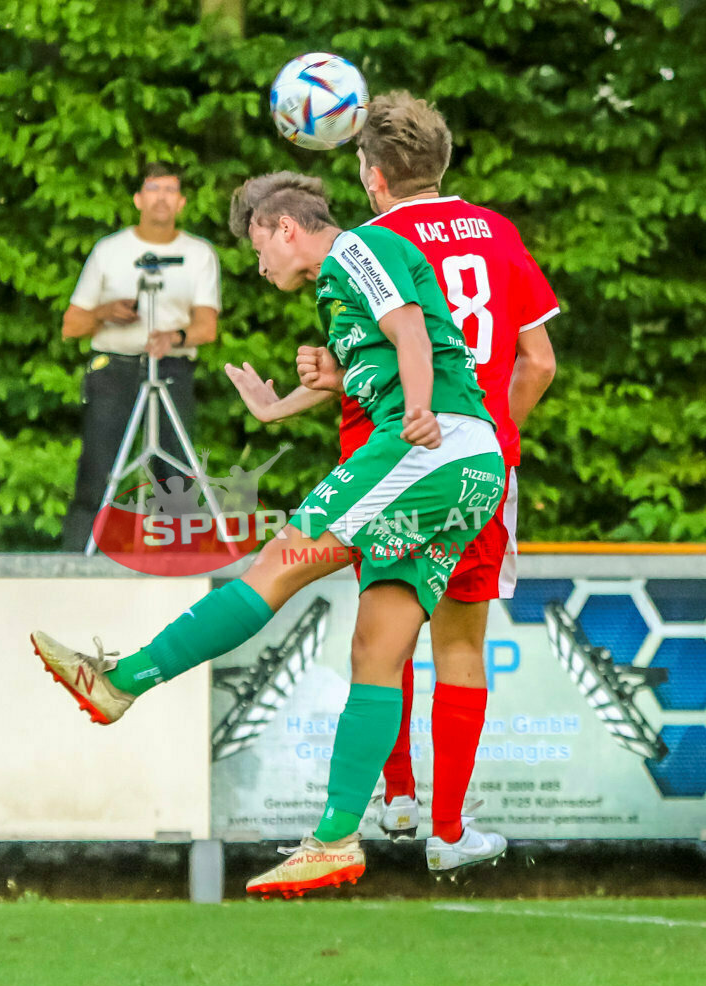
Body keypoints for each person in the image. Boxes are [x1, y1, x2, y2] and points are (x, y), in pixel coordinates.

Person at [32, 173, 505, 897]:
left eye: (258, 247)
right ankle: (337, 838)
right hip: (470, 473)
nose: (258, 266)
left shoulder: (359, 247)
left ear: (286, 227)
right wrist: (278, 406)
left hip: (428, 449)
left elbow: (409, 327)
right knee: (376, 648)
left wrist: (415, 410)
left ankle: (120, 682)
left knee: (277, 563)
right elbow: (374, 358)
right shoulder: (337, 290)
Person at [226, 91, 558, 873]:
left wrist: (319, 376)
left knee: (385, 630)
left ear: (372, 177)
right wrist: (494, 438)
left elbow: (364, 360)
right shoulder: (498, 233)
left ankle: (396, 797)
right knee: (462, 645)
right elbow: (539, 361)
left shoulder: (362, 244)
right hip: (480, 461)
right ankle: (450, 830)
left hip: (389, 456)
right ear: (441, 163)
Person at [61, 161, 221, 551]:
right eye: (153, 188)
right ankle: (75, 564)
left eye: (170, 190)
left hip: (170, 368)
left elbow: (207, 327)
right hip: (114, 370)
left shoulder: (198, 254)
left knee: (177, 475)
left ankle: (181, 565)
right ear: (138, 198)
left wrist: (175, 337)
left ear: (182, 201)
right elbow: (71, 325)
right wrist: (106, 312)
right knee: (98, 472)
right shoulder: (110, 250)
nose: (161, 198)